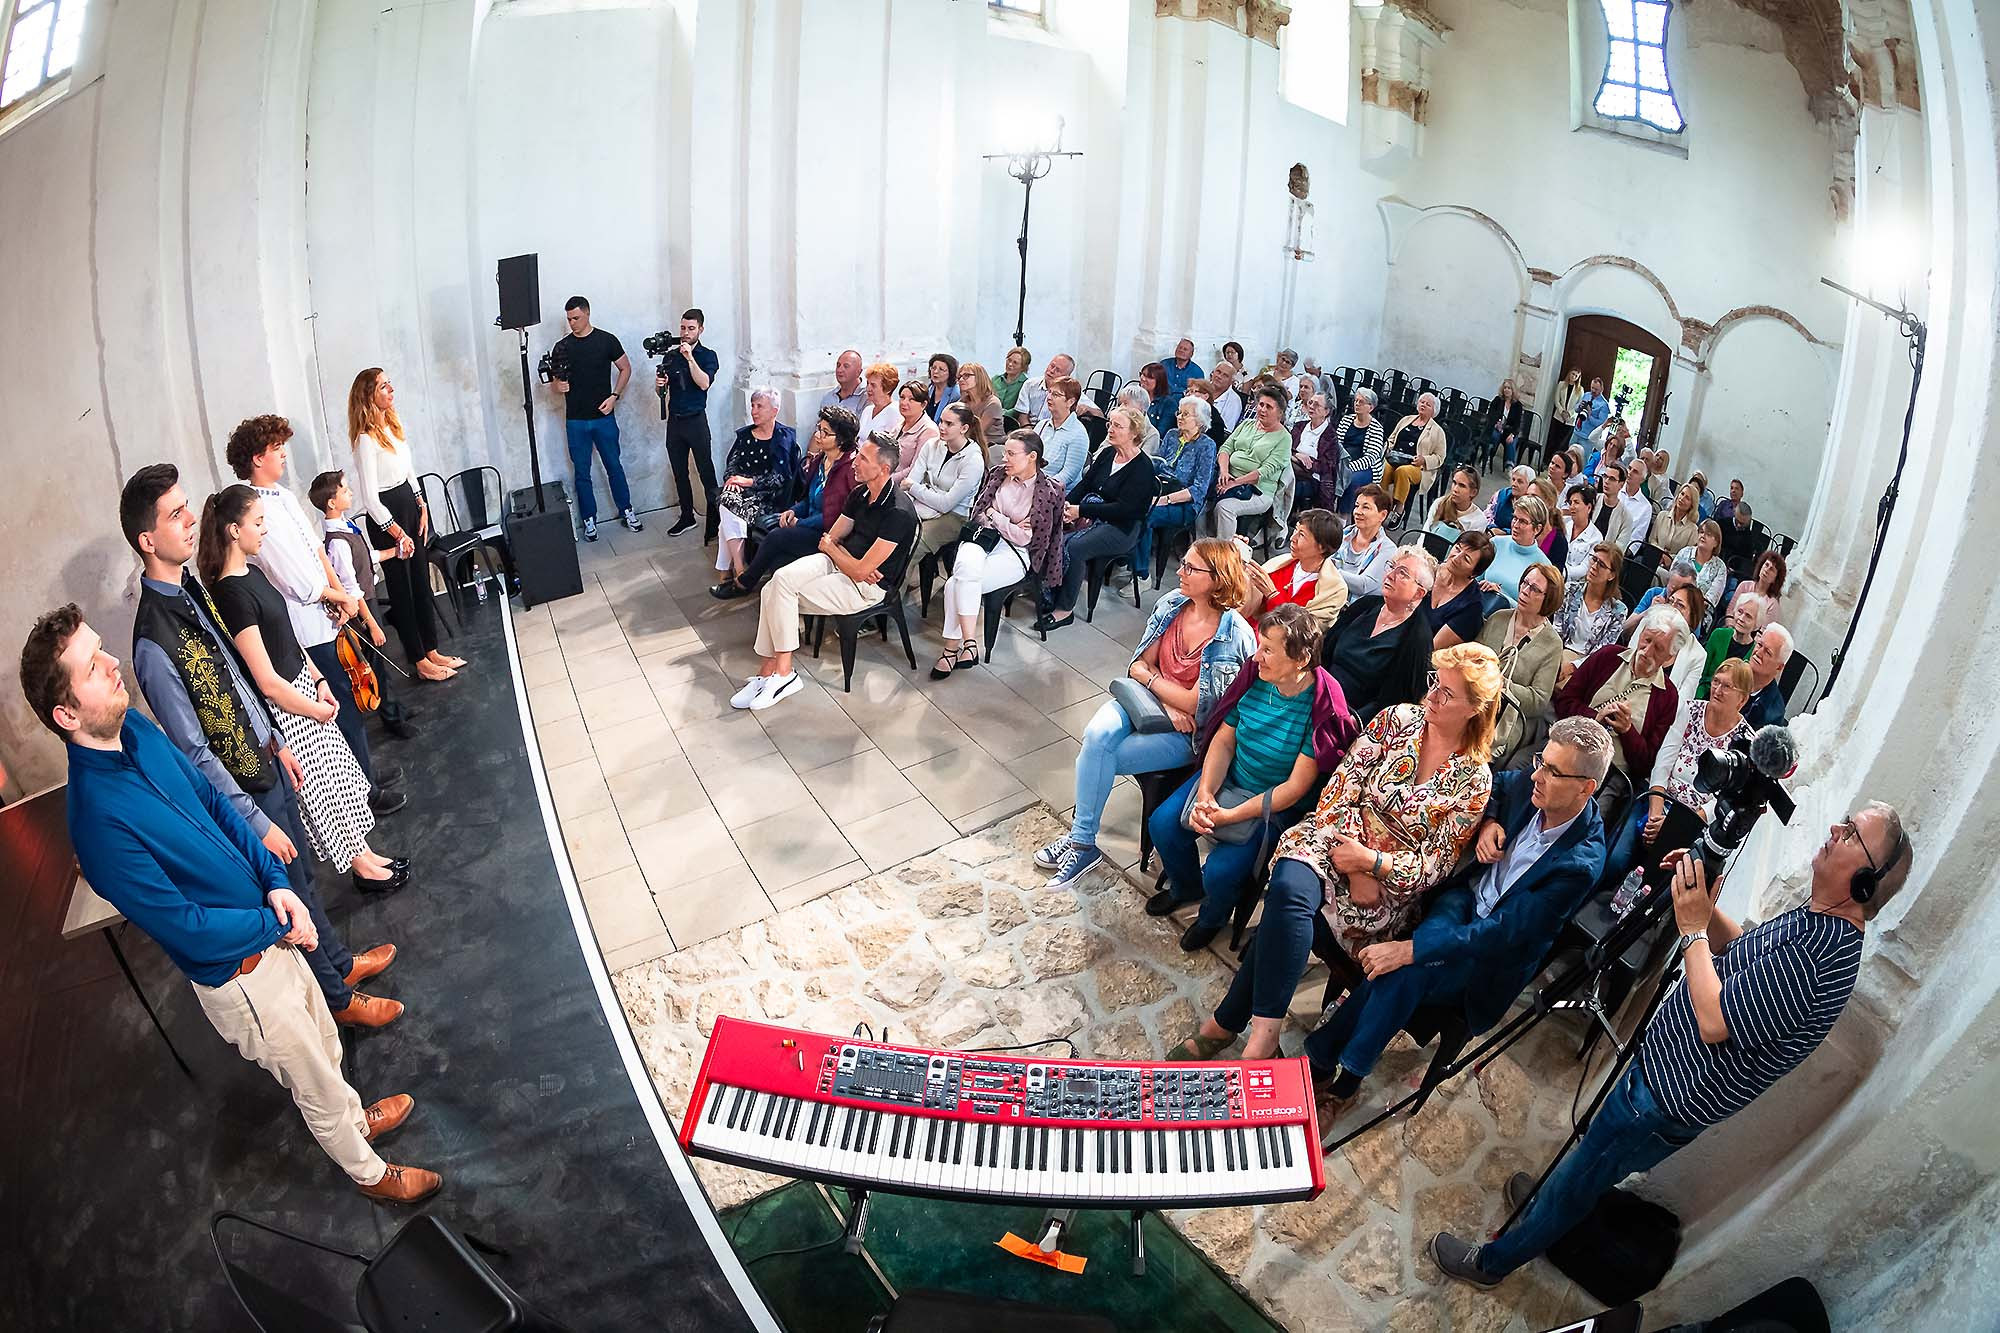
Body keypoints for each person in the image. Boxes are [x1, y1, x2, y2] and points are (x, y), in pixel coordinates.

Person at [19, 607, 441, 1203]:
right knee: (315, 1085)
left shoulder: (135, 728)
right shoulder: (96, 822)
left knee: (326, 1039)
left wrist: (276, 881)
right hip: (243, 976)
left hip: (270, 927)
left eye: (101, 650)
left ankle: (356, 1118)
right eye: (92, 666)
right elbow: (186, 929)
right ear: (66, 714)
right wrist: (278, 920)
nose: (114, 663)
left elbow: (214, 802)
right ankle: (370, 1174)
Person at [1432, 802, 1912, 1289]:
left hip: (1660, 1103)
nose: (1835, 828)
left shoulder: (1817, 958)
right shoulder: (1817, 921)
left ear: (1866, 883)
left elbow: (1715, 1020)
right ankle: (1545, 1202)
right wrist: (1703, 902)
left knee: (1580, 1187)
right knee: (1584, 1167)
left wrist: (1693, 927)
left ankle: (1492, 1264)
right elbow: (1741, 953)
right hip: (1656, 1082)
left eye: (1852, 833)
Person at [120, 466, 400, 1027]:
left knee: (305, 882)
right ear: (148, 539)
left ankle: (339, 966)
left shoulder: (189, 590)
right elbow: (193, 752)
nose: (191, 519)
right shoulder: (152, 640)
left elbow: (236, 680)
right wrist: (252, 817)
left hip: (268, 759)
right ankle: (339, 1002)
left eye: (186, 506)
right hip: (245, 792)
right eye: (175, 514)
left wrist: (276, 741)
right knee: (290, 894)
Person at [1168, 644, 1499, 1062]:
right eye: (1435, 682)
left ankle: (1227, 1024)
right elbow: (1341, 789)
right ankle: (1263, 1038)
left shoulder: (1474, 781)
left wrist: (1371, 864)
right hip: (1332, 838)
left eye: (1447, 693)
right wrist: (1354, 861)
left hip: (1385, 888)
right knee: (1292, 883)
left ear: (1474, 708)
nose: (1431, 695)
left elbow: (1435, 865)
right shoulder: (1398, 720)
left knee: (1285, 911)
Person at [1308, 717, 1612, 1125]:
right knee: (1407, 964)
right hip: (1462, 903)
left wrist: (1411, 950)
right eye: (1541, 760)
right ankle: (1333, 1068)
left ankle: (1335, 1071)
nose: (1536, 775)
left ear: (1585, 789)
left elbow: (1504, 933)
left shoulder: (1580, 864)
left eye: (1552, 771)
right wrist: (1491, 822)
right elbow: (1495, 785)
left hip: (1491, 956)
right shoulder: (1532, 786)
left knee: (1406, 970)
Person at [198, 487, 410, 895]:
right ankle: (362, 868)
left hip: (305, 689)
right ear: (233, 530)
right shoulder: (229, 593)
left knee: (340, 778)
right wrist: (312, 709)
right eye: (258, 522)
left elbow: (288, 638)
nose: (264, 529)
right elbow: (265, 678)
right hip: (288, 708)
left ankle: (366, 854)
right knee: (322, 790)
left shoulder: (253, 572)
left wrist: (318, 679)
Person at [1033, 539, 1259, 888]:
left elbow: (1196, 706)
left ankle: (1081, 842)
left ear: (1216, 579)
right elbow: (1138, 665)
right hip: (1146, 705)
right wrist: (1167, 700)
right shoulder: (1172, 604)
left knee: (1102, 756)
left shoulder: (1234, 636)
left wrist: (1157, 683)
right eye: (1182, 562)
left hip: (1188, 734)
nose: (1180, 572)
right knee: (1096, 737)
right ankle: (1082, 841)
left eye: (1190, 568)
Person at [1145, 605, 1359, 949]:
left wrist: (1228, 816)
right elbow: (1224, 740)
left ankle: (1212, 917)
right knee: (1162, 825)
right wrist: (1206, 794)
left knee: (1221, 872)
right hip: (1231, 777)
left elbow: (1294, 789)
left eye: (1268, 650)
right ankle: (1186, 887)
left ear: (1301, 659)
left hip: (1272, 805)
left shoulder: (1320, 706)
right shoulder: (1256, 677)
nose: (1256, 657)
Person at [229, 415, 403, 820]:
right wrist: (336, 595)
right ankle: (363, 792)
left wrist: (341, 593)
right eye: (276, 449)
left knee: (351, 699)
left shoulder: (284, 496)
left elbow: (316, 551)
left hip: (329, 609)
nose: (283, 454)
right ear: (257, 458)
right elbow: (293, 577)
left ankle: (366, 774)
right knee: (342, 705)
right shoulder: (257, 510)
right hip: (307, 624)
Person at [733, 435, 916, 712]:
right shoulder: (859, 494)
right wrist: (847, 558)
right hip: (839, 564)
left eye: (863, 458)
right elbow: (828, 540)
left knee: (777, 594)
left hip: (868, 589)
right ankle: (774, 674)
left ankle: (778, 673)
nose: (855, 462)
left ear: (884, 469)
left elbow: (858, 570)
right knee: (777, 583)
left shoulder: (898, 512)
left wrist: (845, 557)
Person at [339, 378, 462, 699]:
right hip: (387, 515)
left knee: (421, 583)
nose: (391, 390)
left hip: (408, 503)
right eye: (383, 386)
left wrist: (422, 504)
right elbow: (370, 498)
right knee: (403, 592)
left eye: (390, 384)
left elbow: (409, 469)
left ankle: (431, 650)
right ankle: (418, 660)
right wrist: (397, 531)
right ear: (368, 396)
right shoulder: (365, 440)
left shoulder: (392, 426)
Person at [1600, 657, 1753, 895]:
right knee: (1615, 860)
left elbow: (1721, 802)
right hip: (1657, 800)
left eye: (1727, 686)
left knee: (1657, 882)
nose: (1717, 690)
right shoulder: (1690, 710)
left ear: (1742, 699)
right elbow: (1663, 763)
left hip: (1692, 821)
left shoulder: (1745, 741)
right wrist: (1655, 815)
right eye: (1716, 682)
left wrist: (1674, 828)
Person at [936, 430, 1066, 675]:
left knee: (955, 584)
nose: (1004, 458)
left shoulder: (1048, 491)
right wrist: (1007, 523)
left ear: (1032, 457)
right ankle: (970, 642)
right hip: (981, 536)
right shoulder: (997, 474)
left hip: (1015, 552)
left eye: (1011, 453)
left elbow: (1025, 538)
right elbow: (979, 513)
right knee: (966, 572)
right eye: (1005, 452)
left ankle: (952, 649)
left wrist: (995, 515)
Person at [712, 406, 859, 599]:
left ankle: (743, 583)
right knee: (778, 561)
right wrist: (793, 511)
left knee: (776, 537)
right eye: (819, 428)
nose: (817, 435)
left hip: (828, 534)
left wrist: (800, 523)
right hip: (807, 523)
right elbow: (808, 499)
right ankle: (783, 598)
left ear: (841, 439)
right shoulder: (821, 461)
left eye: (825, 432)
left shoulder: (849, 470)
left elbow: (836, 515)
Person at [1035, 407, 1155, 631]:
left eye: (1117, 426)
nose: (1110, 429)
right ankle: (1048, 591)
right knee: (1051, 530)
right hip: (1094, 514)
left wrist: (1082, 510)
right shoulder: (1108, 454)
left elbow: (1124, 510)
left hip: (1122, 528)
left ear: (1134, 433)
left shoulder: (1142, 468)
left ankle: (1064, 609)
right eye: (1110, 424)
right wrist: (1066, 505)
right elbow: (1086, 484)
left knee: (1075, 547)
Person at [1555, 605, 1688, 784]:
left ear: (1670, 658)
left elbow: (1646, 763)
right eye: (1647, 640)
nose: (1647, 651)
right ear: (1641, 634)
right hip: (1569, 747)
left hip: (1610, 774)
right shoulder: (1608, 656)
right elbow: (1564, 701)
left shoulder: (1668, 697)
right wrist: (1595, 718)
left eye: (1658, 648)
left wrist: (1627, 730)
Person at [550, 296, 639, 540]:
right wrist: (557, 387)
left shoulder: (606, 340)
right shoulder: (562, 347)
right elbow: (554, 383)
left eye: (576, 318)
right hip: (576, 420)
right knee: (582, 473)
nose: (572, 323)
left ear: (587, 314)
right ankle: (589, 519)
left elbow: (626, 368)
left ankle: (627, 510)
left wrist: (614, 396)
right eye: (569, 319)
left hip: (603, 416)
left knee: (614, 466)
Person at [1322, 547, 1437, 722]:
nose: (1390, 575)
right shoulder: (1365, 606)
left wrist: (1353, 720)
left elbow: (1396, 701)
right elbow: (1326, 649)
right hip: (1320, 693)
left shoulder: (1417, 639)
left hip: (1353, 719)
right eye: (1391, 566)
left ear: (1418, 593)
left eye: (1402, 573)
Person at [1478, 562, 1567, 766]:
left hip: (1506, 719)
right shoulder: (1499, 618)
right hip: (1475, 700)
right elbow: (1473, 656)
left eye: (1534, 589)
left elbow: (1538, 701)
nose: (1525, 591)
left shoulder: (1552, 644)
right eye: (1525, 583)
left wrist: (1499, 684)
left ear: (1549, 599)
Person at [713, 388, 798, 587]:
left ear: (774, 411)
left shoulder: (783, 437)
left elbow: (780, 478)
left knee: (727, 507)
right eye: (752, 405)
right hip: (741, 492)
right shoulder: (745, 435)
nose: (754, 411)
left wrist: (748, 482)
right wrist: (733, 481)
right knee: (729, 501)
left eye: (760, 406)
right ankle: (739, 569)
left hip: (769, 496)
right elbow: (732, 465)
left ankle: (729, 569)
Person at [651, 307, 721, 539]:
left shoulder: (707, 356)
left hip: (696, 421)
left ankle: (715, 521)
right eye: (683, 328)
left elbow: (704, 383)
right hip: (675, 422)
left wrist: (690, 357)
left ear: (701, 329)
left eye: (691, 328)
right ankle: (687, 516)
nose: (685, 332)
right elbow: (661, 392)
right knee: (679, 472)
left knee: (706, 471)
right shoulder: (671, 357)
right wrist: (659, 385)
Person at [1139, 397, 1218, 576]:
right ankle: (1124, 559)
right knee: (1129, 503)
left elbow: (1198, 489)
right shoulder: (1172, 435)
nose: (1180, 417)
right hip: (1159, 488)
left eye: (1186, 414)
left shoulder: (1207, 445)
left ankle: (1141, 574)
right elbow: (1157, 465)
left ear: (1200, 420)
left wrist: (1162, 500)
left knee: (1144, 514)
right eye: (1179, 413)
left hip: (1185, 503)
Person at [904, 400, 987, 570]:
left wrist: (914, 488)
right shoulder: (931, 445)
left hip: (954, 517)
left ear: (964, 428)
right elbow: (910, 482)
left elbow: (946, 504)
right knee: (892, 528)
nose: (941, 427)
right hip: (922, 505)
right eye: (941, 421)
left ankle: (894, 587)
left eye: (949, 424)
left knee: (912, 544)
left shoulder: (973, 460)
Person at [1209, 385, 1292, 542]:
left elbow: (1264, 471)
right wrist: (1224, 473)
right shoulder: (1246, 424)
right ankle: (1201, 543)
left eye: (1269, 407)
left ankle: (1224, 551)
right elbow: (1225, 449)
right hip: (1227, 478)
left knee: (1224, 508)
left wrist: (1234, 483)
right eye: (1261, 404)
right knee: (1200, 498)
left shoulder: (1284, 438)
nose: (1263, 409)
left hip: (1258, 490)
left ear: (1280, 413)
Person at [1242, 509, 1348, 631]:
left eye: (1301, 535)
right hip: (1250, 631)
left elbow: (1303, 630)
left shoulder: (1334, 589)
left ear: (1322, 548)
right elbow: (1246, 598)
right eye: (1295, 530)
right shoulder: (1280, 563)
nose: (1293, 538)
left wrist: (1273, 595)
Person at [1320, 387, 1387, 517]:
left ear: (1371, 407)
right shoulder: (1346, 420)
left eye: (1361, 402)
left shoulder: (1376, 428)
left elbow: (1371, 457)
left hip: (1365, 467)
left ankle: (1343, 517)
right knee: (1324, 473)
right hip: (1342, 460)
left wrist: (1348, 467)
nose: (1357, 404)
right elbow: (1336, 444)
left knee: (1351, 480)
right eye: (1356, 401)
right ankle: (1324, 511)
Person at [1687, 593, 1768, 700]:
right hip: (1702, 694)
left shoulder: (1754, 653)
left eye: (1748, 616)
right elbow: (1701, 671)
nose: (1741, 618)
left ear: (1756, 624)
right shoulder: (1718, 634)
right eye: (1740, 612)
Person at [1555, 542, 1629, 659]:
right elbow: (1556, 632)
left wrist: (1575, 665)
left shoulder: (1618, 611)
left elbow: (1601, 652)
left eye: (1601, 565)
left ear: (1611, 575)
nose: (1594, 566)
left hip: (1587, 663)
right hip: (1559, 652)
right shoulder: (1569, 590)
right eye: (1594, 559)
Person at [1428, 530, 1497, 648]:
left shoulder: (1471, 608)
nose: (1456, 558)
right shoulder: (1429, 569)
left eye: (1466, 559)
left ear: (1474, 573)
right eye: (1457, 548)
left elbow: (1432, 648)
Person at [1385, 392, 1447, 521]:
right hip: (1395, 458)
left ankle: (1399, 509)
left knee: (1403, 471)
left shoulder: (1437, 431)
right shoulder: (1406, 420)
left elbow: (1440, 457)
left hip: (1417, 466)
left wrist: (1424, 460)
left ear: (1434, 411)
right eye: (1421, 402)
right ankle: (1383, 502)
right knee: (1383, 468)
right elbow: (1391, 438)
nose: (1423, 405)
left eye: (1428, 404)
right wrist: (1387, 448)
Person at [1481, 496, 1552, 604]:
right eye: (1515, 518)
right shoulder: (1496, 543)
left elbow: (1534, 609)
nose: (1515, 525)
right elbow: (1473, 579)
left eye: (1523, 521)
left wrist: (1501, 597)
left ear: (1537, 529)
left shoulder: (1543, 566)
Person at [1331, 485, 1395, 600]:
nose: (1357, 512)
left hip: (1356, 607)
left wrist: (1327, 570)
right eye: (1356, 506)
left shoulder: (1387, 549)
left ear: (1383, 515)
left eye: (1365, 507)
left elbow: (1364, 585)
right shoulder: (1344, 534)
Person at [1034, 374, 1091, 491]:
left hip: (1058, 493)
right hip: (1033, 484)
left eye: (1055, 395)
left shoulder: (1078, 434)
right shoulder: (1041, 425)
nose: (1049, 397)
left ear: (1070, 402)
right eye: (1049, 392)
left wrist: (1042, 487)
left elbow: (1068, 474)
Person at [1289, 383, 1340, 510]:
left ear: (1326, 411)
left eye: (1316, 405)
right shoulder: (1299, 426)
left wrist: (1305, 461)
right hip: (1291, 468)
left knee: (1287, 483)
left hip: (1313, 479)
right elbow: (1285, 448)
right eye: (1310, 403)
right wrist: (1297, 456)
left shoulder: (1330, 436)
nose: (1311, 406)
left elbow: (1327, 466)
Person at [886, 380, 942, 485]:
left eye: (911, 399)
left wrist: (885, 480)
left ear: (923, 404)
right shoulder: (900, 424)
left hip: (903, 486)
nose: (904, 402)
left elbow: (915, 469)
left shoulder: (929, 431)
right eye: (902, 397)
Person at [1741, 622, 1795, 727]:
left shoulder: (1773, 713)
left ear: (1779, 667)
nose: (1758, 653)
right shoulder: (1732, 672)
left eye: (1768, 652)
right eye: (1759, 645)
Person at [956, 361, 1008, 456]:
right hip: (970, 445)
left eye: (966, 376)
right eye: (959, 377)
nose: (961, 379)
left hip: (992, 446)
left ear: (979, 378)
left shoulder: (993, 403)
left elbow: (977, 431)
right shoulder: (963, 402)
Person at [1680, 519, 1728, 620]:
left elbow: (1711, 600)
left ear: (1716, 543)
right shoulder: (1685, 552)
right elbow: (1672, 580)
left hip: (1699, 614)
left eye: (1708, 534)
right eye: (1701, 532)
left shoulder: (1720, 567)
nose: (1703, 536)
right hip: (1676, 602)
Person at [1605, 457, 1656, 551]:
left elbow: (1636, 539)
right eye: (1629, 468)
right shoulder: (1615, 489)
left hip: (1620, 551)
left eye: (1635, 471)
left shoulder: (1646, 507)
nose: (1630, 472)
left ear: (1642, 480)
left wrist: (1618, 552)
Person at [1727, 549, 1789, 625]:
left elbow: (1763, 630)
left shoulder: (1772, 604)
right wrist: (1731, 627)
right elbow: (1730, 611)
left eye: (1771, 569)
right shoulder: (1744, 585)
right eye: (1766, 565)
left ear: (1776, 579)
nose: (1766, 570)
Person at [1427, 466, 1490, 540]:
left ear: (1473, 492)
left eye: (1462, 486)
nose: (1455, 489)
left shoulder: (1478, 520)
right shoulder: (1439, 503)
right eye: (1454, 483)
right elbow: (1425, 533)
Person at [1017, 351, 1077, 426]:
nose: (1052, 371)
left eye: (1058, 370)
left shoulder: (1071, 392)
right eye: (1052, 366)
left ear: (1066, 376)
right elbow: (1022, 415)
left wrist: (1084, 408)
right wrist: (1028, 429)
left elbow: (1091, 408)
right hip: (1028, 427)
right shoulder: (1029, 384)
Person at [1561, 486, 1603, 585]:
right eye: (1570, 502)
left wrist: (1560, 572)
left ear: (1589, 508)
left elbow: (1584, 568)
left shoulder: (1596, 538)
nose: (1572, 506)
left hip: (1574, 585)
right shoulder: (1563, 523)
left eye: (1576, 502)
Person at [1480, 379, 1525, 471]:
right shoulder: (1498, 400)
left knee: (1511, 441)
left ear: (1513, 390)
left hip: (1509, 430)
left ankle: (1509, 465)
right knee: (1494, 436)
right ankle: (1487, 457)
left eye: (1509, 388)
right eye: (1505, 388)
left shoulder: (1518, 405)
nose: (1506, 390)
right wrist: (1496, 423)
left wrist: (1512, 434)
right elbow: (1490, 415)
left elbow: (1518, 424)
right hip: (1496, 428)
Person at [1652, 481, 1702, 562]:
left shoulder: (1693, 530)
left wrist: (1670, 558)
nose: (1682, 498)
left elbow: (1687, 555)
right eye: (1682, 494)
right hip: (1653, 558)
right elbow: (1652, 540)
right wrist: (1660, 554)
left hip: (1674, 565)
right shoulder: (1662, 516)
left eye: (1687, 498)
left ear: (1692, 505)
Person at [856, 362, 901, 444]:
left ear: (887, 389)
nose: (868, 388)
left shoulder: (894, 411)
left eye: (873, 385)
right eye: (868, 383)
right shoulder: (867, 410)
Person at [1548, 368, 1584, 463]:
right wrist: (1562, 411)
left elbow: (1579, 405)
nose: (1573, 376)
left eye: (1576, 376)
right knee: (1553, 440)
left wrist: (1569, 413)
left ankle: (1559, 462)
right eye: (1572, 374)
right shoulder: (1561, 384)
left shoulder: (1580, 390)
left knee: (1562, 444)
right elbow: (1557, 400)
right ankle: (1548, 461)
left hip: (1570, 420)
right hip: (1558, 417)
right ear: (1569, 373)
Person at [1118, 381, 1164, 455]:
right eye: (1120, 404)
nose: (1121, 408)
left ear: (1140, 407)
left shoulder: (1152, 434)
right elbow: (1102, 451)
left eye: (1125, 404)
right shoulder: (1116, 425)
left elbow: (1142, 460)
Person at [1487, 465, 1536, 535]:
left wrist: (1505, 532)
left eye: (1520, 481)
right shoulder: (1501, 494)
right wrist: (1492, 528)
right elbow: (1488, 514)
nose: (1514, 484)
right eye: (1513, 479)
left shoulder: (1532, 506)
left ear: (1530, 485)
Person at [820, 348, 867, 417]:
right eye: (838, 365)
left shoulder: (867, 398)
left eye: (846, 366)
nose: (839, 370)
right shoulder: (828, 397)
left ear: (858, 372)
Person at [1572, 376, 1611, 456]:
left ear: (1601, 389)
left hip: (1588, 438)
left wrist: (1589, 414)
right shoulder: (1587, 395)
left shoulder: (1603, 405)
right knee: (1569, 456)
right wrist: (1580, 406)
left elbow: (1600, 424)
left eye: (1596, 389)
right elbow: (1575, 409)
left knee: (1583, 459)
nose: (1593, 391)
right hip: (1577, 432)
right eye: (1592, 388)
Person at [995, 346, 1033, 423]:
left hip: (1011, 423)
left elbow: (1019, 409)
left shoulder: (1026, 384)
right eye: (1009, 360)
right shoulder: (995, 379)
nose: (1010, 364)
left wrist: (1001, 414)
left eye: (1015, 363)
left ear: (1023, 367)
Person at [1208, 361, 1245, 432]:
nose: (1219, 376)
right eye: (1218, 372)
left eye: (1225, 375)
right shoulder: (1200, 388)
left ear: (1231, 381)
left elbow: (1226, 431)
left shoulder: (1234, 401)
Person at [924, 352, 960, 421]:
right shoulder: (929, 388)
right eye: (933, 368)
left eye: (941, 369)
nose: (935, 371)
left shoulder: (955, 394)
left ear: (950, 373)